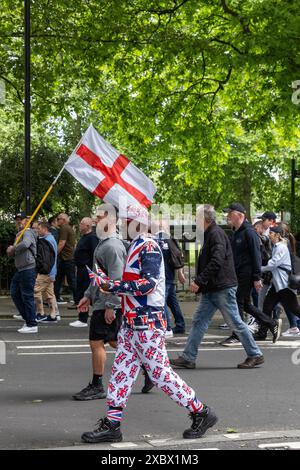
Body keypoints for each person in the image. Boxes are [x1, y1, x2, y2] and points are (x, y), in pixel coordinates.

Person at [81, 204, 218, 444]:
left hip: (147, 324)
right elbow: (135, 284)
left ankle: (201, 412)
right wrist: (104, 285)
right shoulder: (135, 246)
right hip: (133, 323)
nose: (122, 225)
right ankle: (112, 424)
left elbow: (149, 284)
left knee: (161, 374)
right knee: (121, 373)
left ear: (138, 224)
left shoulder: (149, 246)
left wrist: (111, 286)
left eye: (126, 221)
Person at [170, 205, 264, 370]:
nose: (195, 220)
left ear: (204, 219)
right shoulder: (211, 234)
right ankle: (188, 357)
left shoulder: (216, 234)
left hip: (222, 288)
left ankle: (255, 354)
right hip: (213, 288)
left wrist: (199, 281)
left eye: (196, 217)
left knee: (235, 322)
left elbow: (217, 260)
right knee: (199, 321)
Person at [73, 206, 127, 400]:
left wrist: (111, 306)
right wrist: (88, 294)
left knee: (96, 342)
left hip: (106, 302)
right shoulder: (104, 244)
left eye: (99, 216)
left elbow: (117, 278)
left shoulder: (111, 246)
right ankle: (147, 369)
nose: (95, 219)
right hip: (102, 300)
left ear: (110, 220)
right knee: (114, 341)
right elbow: (98, 275)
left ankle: (97, 385)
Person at [221, 203, 282, 346]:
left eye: (230, 213)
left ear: (239, 215)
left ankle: (237, 335)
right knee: (246, 305)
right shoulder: (237, 232)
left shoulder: (249, 232)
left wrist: (256, 277)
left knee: (238, 303)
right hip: (240, 273)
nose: (228, 216)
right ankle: (272, 323)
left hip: (246, 274)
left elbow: (256, 256)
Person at [255, 226, 300, 339]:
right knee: (267, 307)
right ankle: (262, 333)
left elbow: (273, 264)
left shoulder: (281, 247)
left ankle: (262, 332)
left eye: (271, 233)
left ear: (277, 235)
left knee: (295, 309)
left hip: (284, 285)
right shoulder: (276, 246)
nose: (269, 234)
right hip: (277, 285)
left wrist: (259, 269)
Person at [153, 219, 186, 336]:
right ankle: (180, 325)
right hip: (171, 275)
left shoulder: (156, 240)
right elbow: (179, 256)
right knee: (172, 302)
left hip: (162, 276)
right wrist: (180, 273)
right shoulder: (172, 239)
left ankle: (166, 327)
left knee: (162, 302)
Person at [7, 212, 38, 333]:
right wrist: (11, 251)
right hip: (21, 269)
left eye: (21, 219)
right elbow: (18, 249)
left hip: (28, 268)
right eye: (17, 220)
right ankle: (29, 319)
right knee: (15, 293)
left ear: (26, 221)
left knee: (27, 296)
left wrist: (13, 248)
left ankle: (32, 324)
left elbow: (25, 244)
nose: (18, 221)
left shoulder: (27, 232)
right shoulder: (19, 234)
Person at [69, 217, 99, 327]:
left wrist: (92, 271)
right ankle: (82, 317)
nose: (80, 225)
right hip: (81, 269)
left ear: (87, 226)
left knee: (86, 293)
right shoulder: (84, 237)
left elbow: (94, 255)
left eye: (81, 224)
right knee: (81, 292)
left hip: (88, 270)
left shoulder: (92, 238)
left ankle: (83, 318)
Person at [34, 222, 58, 324]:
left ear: (45, 229)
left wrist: (48, 272)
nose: (37, 231)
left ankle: (41, 313)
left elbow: (48, 259)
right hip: (51, 272)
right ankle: (53, 315)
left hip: (45, 272)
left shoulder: (46, 241)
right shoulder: (51, 239)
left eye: (39, 229)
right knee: (49, 294)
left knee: (35, 291)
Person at [54, 213, 76, 305]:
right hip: (67, 258)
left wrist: (54, 255)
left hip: (66, 259)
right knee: (59, 279)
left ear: (63, 220)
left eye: (58, 219)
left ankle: (77, 300)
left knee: (70, 280)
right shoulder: (68, 228)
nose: (57, 220)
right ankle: (56, 297)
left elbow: (61, 243)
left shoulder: (64, 228)